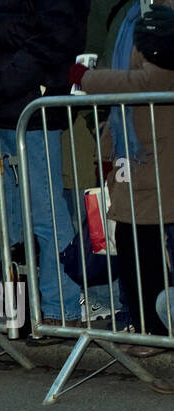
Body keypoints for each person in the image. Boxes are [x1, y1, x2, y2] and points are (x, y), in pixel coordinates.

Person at [0, 0, 89, 329]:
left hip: (33, 111)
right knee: (6, 218)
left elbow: (53, 41)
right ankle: (27, 309)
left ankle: (61, 309)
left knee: (44, 214)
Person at [75, 2, 174, 347]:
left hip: (158, 154)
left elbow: (155, 79)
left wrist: (86, 79)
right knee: (133, 245)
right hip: (132, 152)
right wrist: (105, 145)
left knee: (148, 249)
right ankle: (147, 329)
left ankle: (158, 334)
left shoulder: (162, 13)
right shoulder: (132, 12)